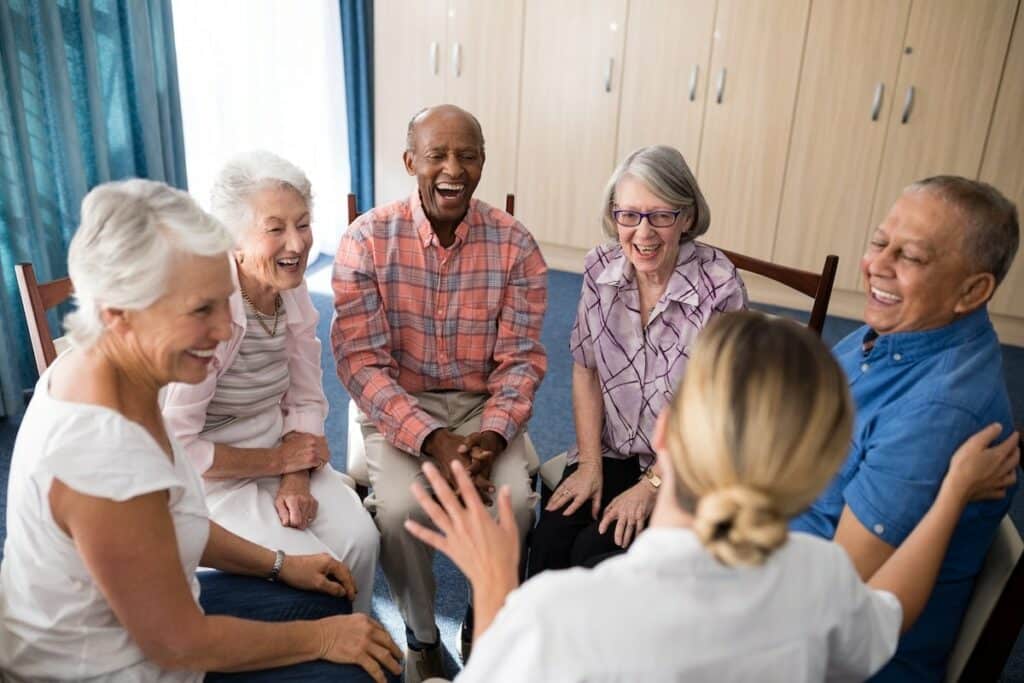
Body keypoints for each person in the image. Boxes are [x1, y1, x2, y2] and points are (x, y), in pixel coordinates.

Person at [406, 312, 1020, 682]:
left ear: (664, 432)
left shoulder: (552, 616)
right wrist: (950, 499)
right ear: (817, 471)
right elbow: (889, 612)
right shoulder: (823, 579)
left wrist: (491, 591)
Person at [0, 180, 402, 681]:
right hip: (118, 666)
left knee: (330, 597)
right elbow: (179, 645)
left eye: (222, 304)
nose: (223, 329)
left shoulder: (108, 372)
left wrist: (279, 563)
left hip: (148, 624)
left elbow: (170, 521)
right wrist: (322, 638)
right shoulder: (103, 456)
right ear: (118, 314)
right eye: (200, 311)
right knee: (364, 666)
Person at [332, 104, 546, 682]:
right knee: (400, 512)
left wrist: (493, 435)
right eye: (437, 155)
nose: (453, 168)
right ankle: (423, 636)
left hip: (484, 410)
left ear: (482, 164)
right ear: (410, 162)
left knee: (517, 506)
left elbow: (521, 360)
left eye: (467, 155)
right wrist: (433, 442)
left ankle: (486, 616)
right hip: (401, 405)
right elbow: (361, 365)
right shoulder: (366, 241)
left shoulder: (516, 246)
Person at [791, 175, 1021, 681]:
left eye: (911, 257)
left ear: (973, 290)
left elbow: (832, 601)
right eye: (879, 242)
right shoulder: (892, 332)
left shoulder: (939, 412)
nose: (876, 264)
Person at [162, 151, 379, 614]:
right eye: (275, 228)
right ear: (232, 240)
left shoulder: (290, 288)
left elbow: (306, 393)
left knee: (361, 539)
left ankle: (356, 645)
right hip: (213, 476)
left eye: (303, 224)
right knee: (313, 569)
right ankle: (320, 649)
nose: (297, 244)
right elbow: (177, 445)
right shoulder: (207, 312)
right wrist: (276, 459)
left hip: (281, 451)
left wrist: (294, 474)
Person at [528, 145, 746, 575]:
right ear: (615, 216)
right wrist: (590, 463)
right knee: (550, 537)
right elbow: (586, 368)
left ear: (686, 217)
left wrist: (654, 485)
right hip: (611, 447)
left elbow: (716, 411)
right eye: (629, 215)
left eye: (660, 215)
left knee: (595, 554)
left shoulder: (720, 288)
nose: (643, 233)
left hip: (684, 464)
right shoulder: (600, 268)